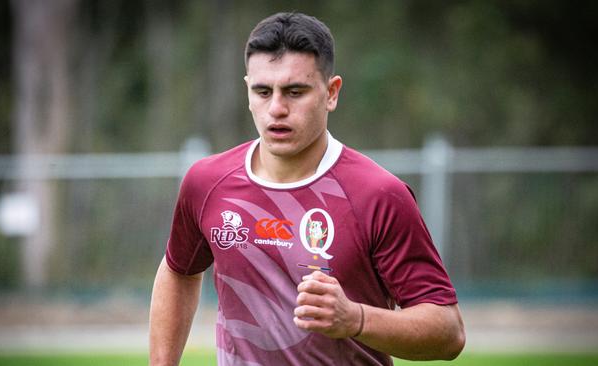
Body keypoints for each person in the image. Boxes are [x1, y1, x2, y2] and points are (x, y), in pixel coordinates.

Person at [149, 12, 465, 366]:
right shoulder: (207, 182)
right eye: (263, 91)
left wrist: (356, 319)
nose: (277, 109)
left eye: (295, 91)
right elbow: (179, 270)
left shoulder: (378, 195)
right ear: (247, 91)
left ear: (331, 93)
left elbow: (448, 332)